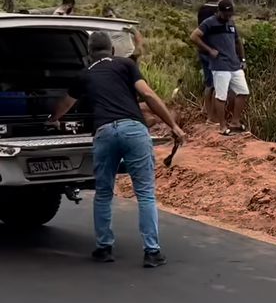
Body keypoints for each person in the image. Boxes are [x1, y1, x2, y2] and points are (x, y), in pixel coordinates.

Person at [47, 31, 186, 268]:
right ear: (112, 50)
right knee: (145, 193)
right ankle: (152, 252)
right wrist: (172, 125)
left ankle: (104, 248)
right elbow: (148, 94)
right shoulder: (125, 65)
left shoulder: (85, 74)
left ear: (89, 54)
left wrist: (52, 119)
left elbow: (65, 103)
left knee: (103, 193)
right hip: (133, 129)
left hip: (104, 133)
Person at [190, 0, 249, 135]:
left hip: (234, 64)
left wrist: (243, 59)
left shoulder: (231, 23)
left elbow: (237, 41)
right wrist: (209, 50)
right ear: (219, 12)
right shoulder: (209, 22)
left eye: (230, 14)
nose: (228, 17)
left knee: (243, 92)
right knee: (221, 96)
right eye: (225, 14)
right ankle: (222, 126)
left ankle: (235, 121)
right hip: (220, 65)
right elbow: (194, 36)